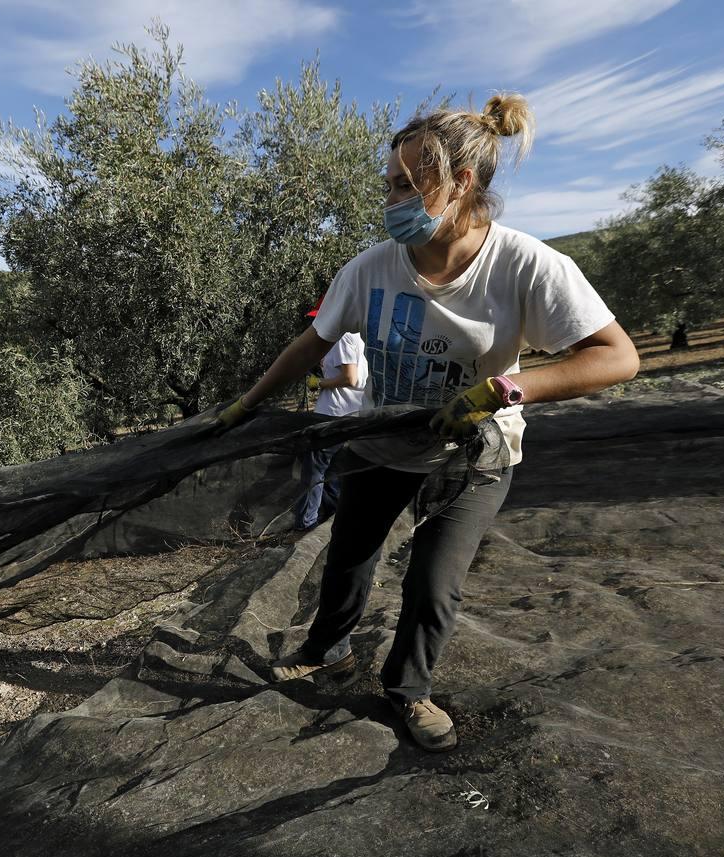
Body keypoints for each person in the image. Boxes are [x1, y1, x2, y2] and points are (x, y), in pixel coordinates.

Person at [216, 94, 639, 751]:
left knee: (432, 585)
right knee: (349, 557)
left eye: (405, 186)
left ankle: (408, 692)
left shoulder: (525, 265)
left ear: (460, 183)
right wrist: (248, 401)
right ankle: (328, 649)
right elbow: (313, 342)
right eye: (389, 185)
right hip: (383, 441)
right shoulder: (373, 267)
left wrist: (506, 388)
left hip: (474, 455)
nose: (391, 201)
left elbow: (617, 356)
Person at [296, 306, 370, 531]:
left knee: (315, 472)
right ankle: (331, 520)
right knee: (334, 471)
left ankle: (306, 524)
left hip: (334, 414)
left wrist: (318, 384)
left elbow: (350, 377)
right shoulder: (358, 335)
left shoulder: (341, 336)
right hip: (352, 412)